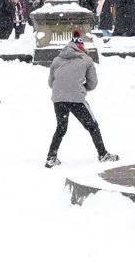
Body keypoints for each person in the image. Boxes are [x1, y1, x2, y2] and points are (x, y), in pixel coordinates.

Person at [44, 31, 117, 169]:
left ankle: (51, 157)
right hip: (76, 98)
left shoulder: (57, 60)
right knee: (92, 126)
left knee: (61, 127)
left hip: (58, 98)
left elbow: (50, 83)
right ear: (81, 46)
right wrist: (80, 88)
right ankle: (103, 154)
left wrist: (63, 89)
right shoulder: (86, 60)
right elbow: (93, 83)